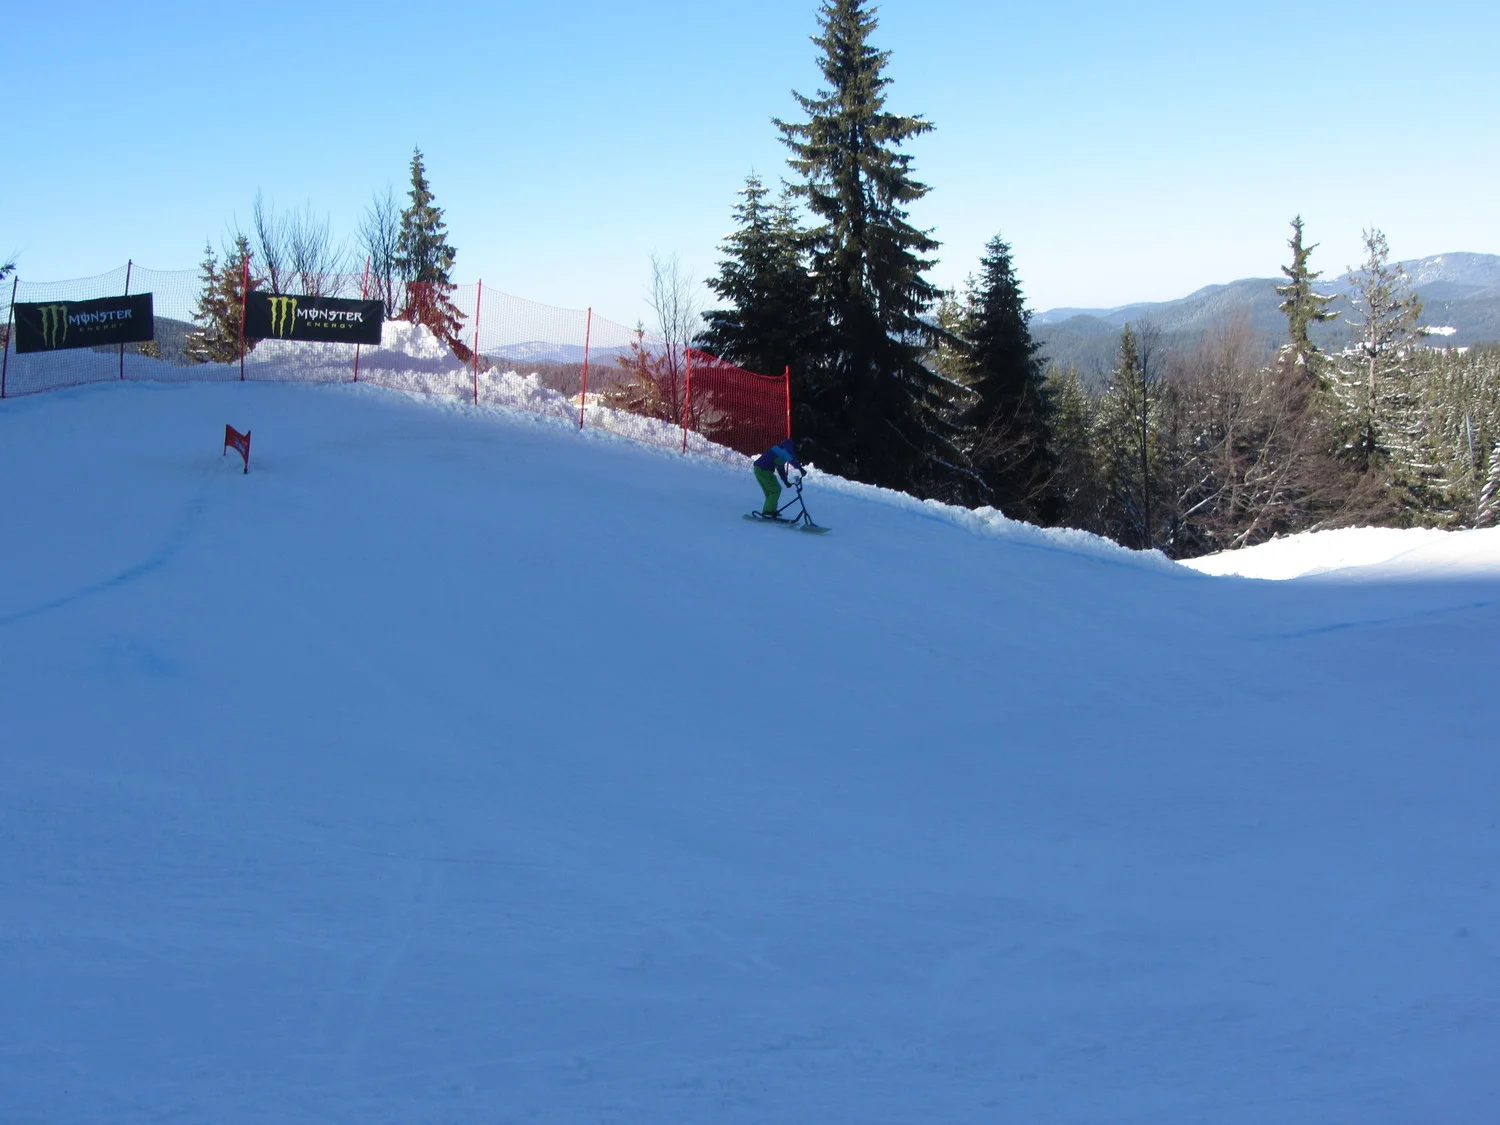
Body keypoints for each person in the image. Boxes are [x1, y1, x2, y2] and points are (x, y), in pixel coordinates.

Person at [752, 437, 805, 518]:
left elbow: (780, 468)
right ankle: (768, 511)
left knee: (771, 491)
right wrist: (801, 469)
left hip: (759, 469)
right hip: (763, 470)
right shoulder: (785, 450)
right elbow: (792, 460)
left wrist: (785, 481)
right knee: (775, 490)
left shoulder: (779, 451)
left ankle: (770, 510)